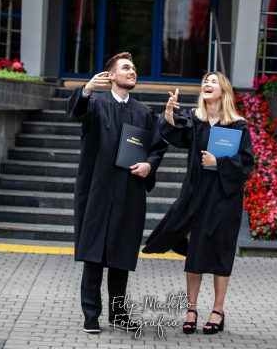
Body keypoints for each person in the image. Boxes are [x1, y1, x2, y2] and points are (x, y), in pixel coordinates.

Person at [143, 72, 254, 335]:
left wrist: (219, 163)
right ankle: (191, 309)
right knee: (195, 251)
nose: (207, 83)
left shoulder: (238, 125)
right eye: (205, 80)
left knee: (221, 251)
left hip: (225, 198)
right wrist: (169, 112)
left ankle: (217, 310)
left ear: (224, 90)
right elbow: (176, 133)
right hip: (197, 194)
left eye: (214, 81)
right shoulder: (195, 119)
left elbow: (247, 163)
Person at [67, 52, 167, 334]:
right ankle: (91, 314)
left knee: (121, 256)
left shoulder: (144, 112)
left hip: (129, 191)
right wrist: (86, 89)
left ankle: (119, 314)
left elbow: (157, 147)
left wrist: (149, 165)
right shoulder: (95, 103)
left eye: (134, 68)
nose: (132, 71)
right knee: (93, 254)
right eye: (125, 67)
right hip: (97, 190)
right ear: (110, 75)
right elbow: (76, 111)